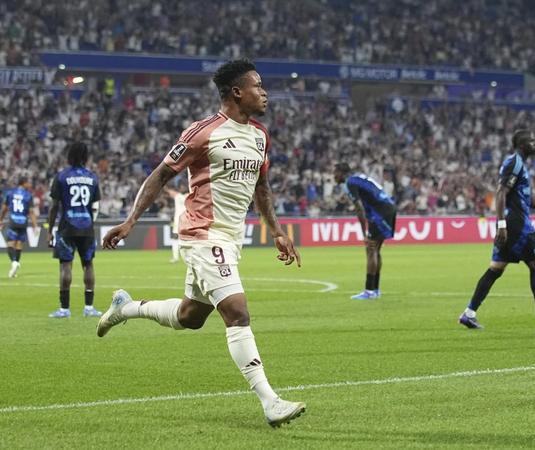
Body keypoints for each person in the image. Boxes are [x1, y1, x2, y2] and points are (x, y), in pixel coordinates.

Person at [97, 59, 306, 428]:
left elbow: (262, 189)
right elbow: (160, 174)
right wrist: (131, 220)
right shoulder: (202, 132)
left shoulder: (260, 136)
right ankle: (270, 401)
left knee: (189, 317)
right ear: (237, 92)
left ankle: (125, 308)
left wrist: (275, 230)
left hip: (229, 238)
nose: (264, 92)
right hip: (202, 235)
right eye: (257, 85)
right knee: (238, 313)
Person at [458, 129, 535, 330]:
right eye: (531, 141)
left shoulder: (520, 164)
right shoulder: (514, 162)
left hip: (512, 223)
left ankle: (469, 313)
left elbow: (529, 198)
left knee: (496, 268)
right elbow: (500, 192)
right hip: (517, 225)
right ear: (521, 144)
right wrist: (501, 225)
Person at [47, 143, 103, 318]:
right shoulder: (92, 177)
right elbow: (95, 206)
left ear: (69, 156)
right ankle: (89, 307)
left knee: (65, 266)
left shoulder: (61, 176)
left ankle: (64, 309)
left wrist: (49, 230)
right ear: (86, 156)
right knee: (88, 265)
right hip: (87, 227)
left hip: (67, 227)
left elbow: (54, 206)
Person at [333, 163, 397, 300]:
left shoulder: (350, 182)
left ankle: (369, 291)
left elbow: (359, 209)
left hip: (379, 213)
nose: (334, 176)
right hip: (388, 208)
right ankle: (375, 290)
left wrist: (364, 233)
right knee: (376, 250)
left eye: (335, 173)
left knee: (371, 250)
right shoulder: (357, 178)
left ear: (341, 172)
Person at [0, 178, 38, 278]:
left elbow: (4, 208)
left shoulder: (10, 193)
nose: (30, 185)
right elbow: (31, 212)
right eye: (28, 183)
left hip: (13, 220)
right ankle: (14, 268)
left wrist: (1, 219)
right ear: (23, 183)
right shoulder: (28, 195)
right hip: (23, 222)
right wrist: (35, 225)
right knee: (19, 245)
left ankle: (14, 262)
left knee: (10, 244)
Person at [165, 181, 189, 263]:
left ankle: (187, 257)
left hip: (186, 220)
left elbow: (171, 192)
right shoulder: (178, 196)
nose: (182, 188)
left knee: (187, 239)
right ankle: (175, 257)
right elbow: (170, 192)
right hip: (178, 221)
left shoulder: (188, 196)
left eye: (183, 186)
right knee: (175, 238)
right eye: (181, 186)